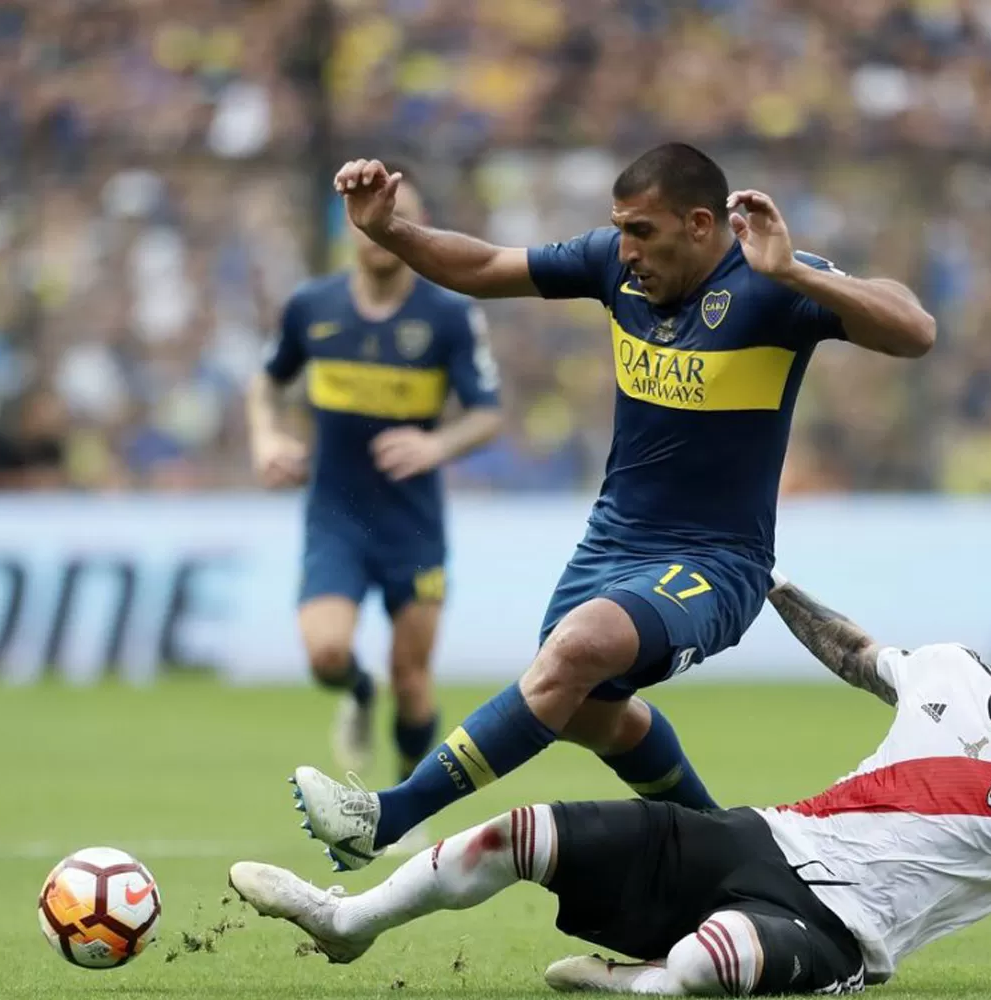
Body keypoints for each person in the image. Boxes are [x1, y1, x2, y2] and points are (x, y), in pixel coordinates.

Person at [288, 143, 936, 872]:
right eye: (619, 229)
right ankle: (732, 858)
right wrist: (390, 231)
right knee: (591, 711)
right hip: (609, 546)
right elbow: (481, 268)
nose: (625, 251)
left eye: (642, 232)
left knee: (577, 653)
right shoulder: (612, 266)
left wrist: (791, 272)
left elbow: (915, 330)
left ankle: (383, 815)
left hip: (716, 562)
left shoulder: (771, 284)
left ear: (699, 223)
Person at [230, 573, 991, 998]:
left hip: (839, 936)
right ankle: (347, 922)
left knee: (711, 962)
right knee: (524, 832)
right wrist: (765, 577)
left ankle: (632, 984)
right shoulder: (949, 669)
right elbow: (855, 651)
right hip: (760, 839)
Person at [246, 168, 504, 789]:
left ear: (418, 230)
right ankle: (358, 693)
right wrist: (266, 438)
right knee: (326, 654)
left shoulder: (447, 316)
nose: (380, 229)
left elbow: (488, 415)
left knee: (413, 682)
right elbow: (266, 382)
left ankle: (407, 799)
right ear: (350, 226)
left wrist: (434, 443)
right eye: (370, 216)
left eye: (398, 216)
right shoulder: (314, 306)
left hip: (411, 524)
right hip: (335, 516)